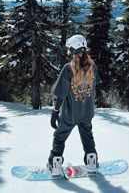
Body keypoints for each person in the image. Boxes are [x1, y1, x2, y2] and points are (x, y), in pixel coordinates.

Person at [48, 34, 100, 171]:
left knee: (59, 137)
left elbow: (60, 94)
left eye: (69, 49)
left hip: (70, 113)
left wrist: (55, 112)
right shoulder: (92, 67)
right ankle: (92, 161)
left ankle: (55, 163)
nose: (68, 51)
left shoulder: (68, 68)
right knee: (87, 137)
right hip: (87, 112)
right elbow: (95, 86)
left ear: (73, 50)